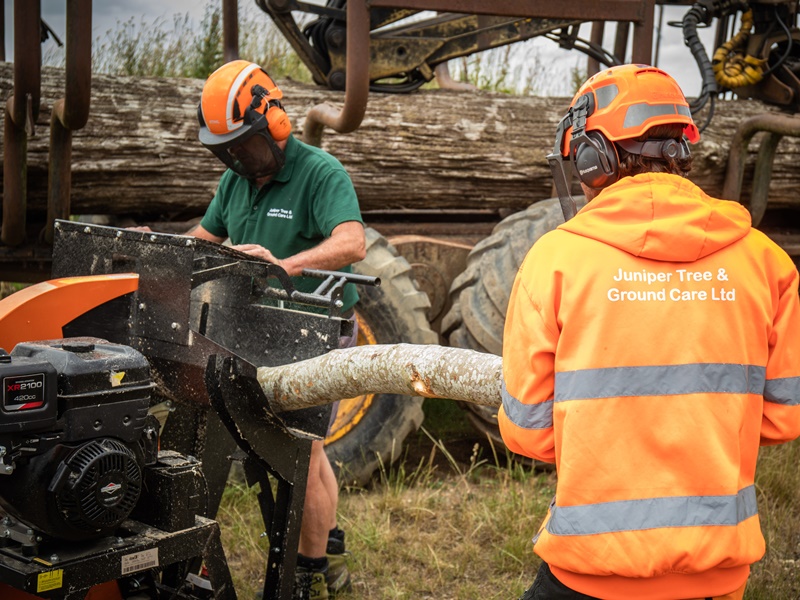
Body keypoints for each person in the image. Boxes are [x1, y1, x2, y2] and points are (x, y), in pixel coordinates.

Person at [498, 63, 800, 600]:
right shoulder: (767, 262)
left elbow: (529, 433)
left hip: (591, 574)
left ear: (595, 156)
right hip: (718, 575)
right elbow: (783, 419)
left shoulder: (555, 261)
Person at [196, 60, 365, 599]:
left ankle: (310, 572)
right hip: (262, 328)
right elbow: (205, 236)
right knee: (301, 450)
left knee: (303, 452)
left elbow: (352, 242)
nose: (237, 159)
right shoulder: (235, 181)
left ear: (275, 124)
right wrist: (163, 250)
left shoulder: (320, 172)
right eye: (227, 151)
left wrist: (282, 265)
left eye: (243, 146)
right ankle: (329, 548)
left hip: (317, 326)